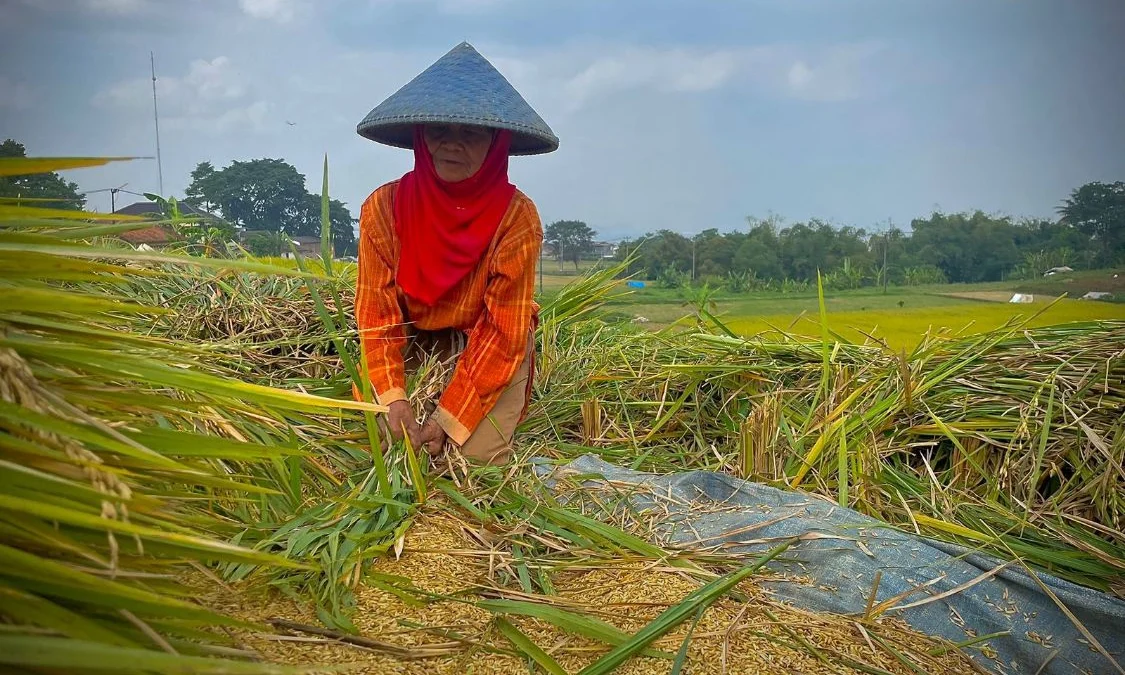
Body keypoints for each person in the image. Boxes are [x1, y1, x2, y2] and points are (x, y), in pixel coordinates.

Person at [353, 42, 558, 465]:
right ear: (419, 136)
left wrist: (448, 419)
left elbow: (504, 331)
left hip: (483, 340)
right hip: (413, 334)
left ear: (497, 142)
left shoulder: (516, 219)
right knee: (381, 443)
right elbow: (378, 316)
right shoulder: (384, 209)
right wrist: (393, 398)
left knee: (474, 460)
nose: (452, 145)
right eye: (439, 131)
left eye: (472, 133)